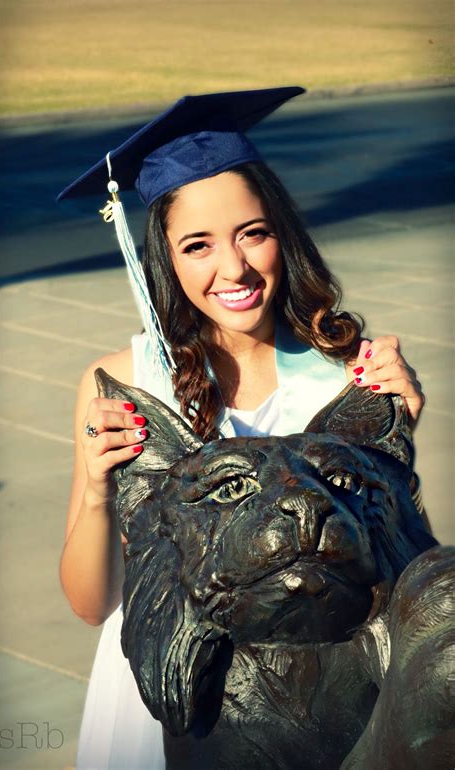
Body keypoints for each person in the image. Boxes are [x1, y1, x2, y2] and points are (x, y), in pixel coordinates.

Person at [58, 87, 426, 770]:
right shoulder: (127, 384)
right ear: (163, 258)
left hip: (327, 698)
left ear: (282, 231)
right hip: (173, 702)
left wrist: (394, 448)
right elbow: (90, 605)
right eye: (197, 245)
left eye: (252, 233)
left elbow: (396, 571)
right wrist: (98, 493)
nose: (233, 268)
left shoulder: (348, 371)